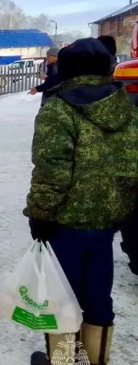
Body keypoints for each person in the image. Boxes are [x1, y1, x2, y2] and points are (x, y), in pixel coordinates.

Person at [24, 38, 138, 365]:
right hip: (107, 223)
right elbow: (131, 166)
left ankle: (64, 362)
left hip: (66, 225)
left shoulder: (58, 108)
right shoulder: (126, 108)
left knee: (61, 299)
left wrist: (40, 214)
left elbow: (52, 170)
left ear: (65, 69)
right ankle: (95, 360)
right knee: (98, 297)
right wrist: (122, 208)